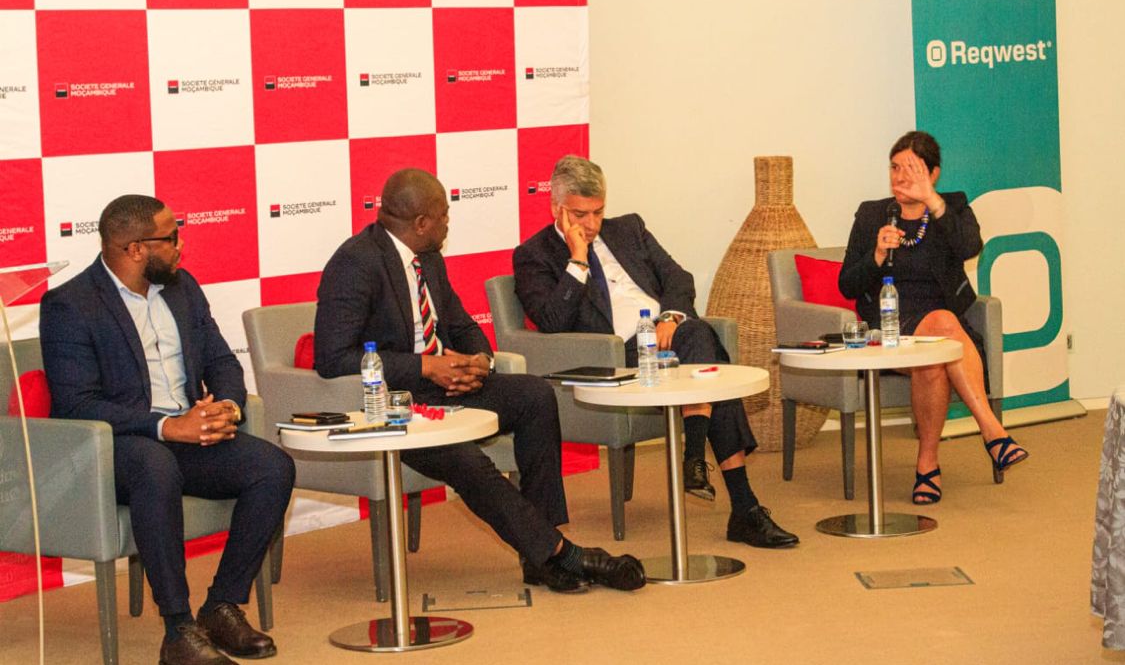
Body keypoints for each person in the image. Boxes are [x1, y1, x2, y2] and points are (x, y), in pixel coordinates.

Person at [314, 168, 646, 594]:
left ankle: (539, 555)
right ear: (421, 223)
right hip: (396, 404)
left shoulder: (427, 257)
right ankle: (561, 554)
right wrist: (425, 367)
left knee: (534, 395)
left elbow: (461, 325)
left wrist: (480, 362)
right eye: (444, 216)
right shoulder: (355, 263)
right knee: (466, 458)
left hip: (444, 385)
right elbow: (333, 358)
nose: (448, 223)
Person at [39, 195, 295, 665]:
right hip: (117, 447)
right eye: (172, 237)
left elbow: (221, 361)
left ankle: (221, 605)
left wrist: (228, 407)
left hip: (187, 436)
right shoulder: (70, 304)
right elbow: (76, 404)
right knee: (154, 465)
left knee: (272, 466)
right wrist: (166, 426)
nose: (182, 246)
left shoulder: (182, 288)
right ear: (136, 248)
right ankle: (178, 631)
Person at [513, 155, 799, 549]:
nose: (592, 224)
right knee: (709, 361)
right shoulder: (534, 255)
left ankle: (701, 463)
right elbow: (551, 320)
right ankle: (737, 501)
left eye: (598, 212)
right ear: (556, 208)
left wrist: (670, 317)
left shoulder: (629, 229)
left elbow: (678, 278)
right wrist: (577, 261)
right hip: (615, 358)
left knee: (698, 338)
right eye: (580, 215)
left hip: (666, 339)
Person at [838, 130, 1029, 505]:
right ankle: (993, 433)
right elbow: (847, 285)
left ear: (933, 173)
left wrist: (933, 202)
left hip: (944, 325)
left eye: (911, 169)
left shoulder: (953, 207)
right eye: (895, 167)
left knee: (934, 357)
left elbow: (970, 247)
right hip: (890, 324)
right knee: (941, 329)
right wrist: (876, 255)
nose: (900, 177)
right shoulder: (872, 214)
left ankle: (927, 466)